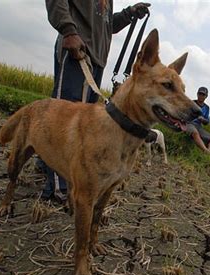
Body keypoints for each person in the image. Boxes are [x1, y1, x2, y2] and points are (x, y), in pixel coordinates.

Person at [42, 1, 151, 201]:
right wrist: (69, 32)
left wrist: (128, 14)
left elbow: (106, 25)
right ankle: (59, 188)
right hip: (77, 49)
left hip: (97, 59)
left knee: (84, 127)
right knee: (62, 120)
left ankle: (47, 164)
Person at [184, 87, 210, 153]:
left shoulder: (207, 107)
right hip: (189, 123)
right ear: (197, 94)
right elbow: (184, 115)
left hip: (199, 126)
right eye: (200, 94)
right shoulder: (191, 103)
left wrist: (203, 119)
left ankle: (209, 151)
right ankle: (205, 151)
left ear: (206, 96)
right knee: (195, 133)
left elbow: (207, 122)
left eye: (203, 95)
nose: (201, 96)